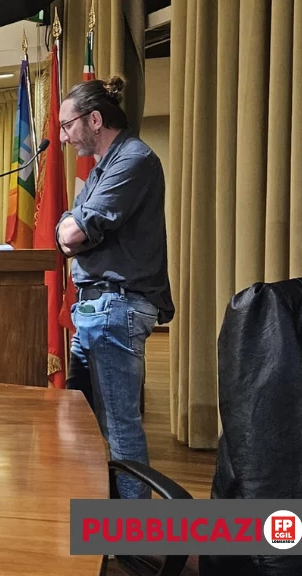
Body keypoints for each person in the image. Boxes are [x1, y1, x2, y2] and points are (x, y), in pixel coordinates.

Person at [55, 76, 175, 501]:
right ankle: (99, 513)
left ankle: (131, 537)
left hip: (116, 307)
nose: (65, 137)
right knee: (81, 418)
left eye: (67, 126)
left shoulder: (133, 160)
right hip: (96, 310)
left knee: (120, 427)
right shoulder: (104, 167)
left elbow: (73, 234)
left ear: (95, 119)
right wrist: (77, 230)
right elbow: (66, 230)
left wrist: (79, 231)